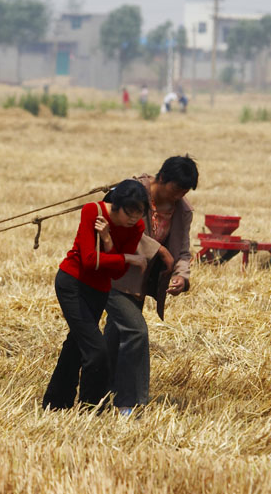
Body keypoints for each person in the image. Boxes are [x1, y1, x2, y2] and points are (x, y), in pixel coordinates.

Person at [104, 156, 198, 416]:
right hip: (112, 276)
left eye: (185, 191)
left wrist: (182, 276)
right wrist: (159, 250)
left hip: (139, 282)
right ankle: (130, 404)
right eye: (177, 189)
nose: (180, 195)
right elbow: (118, 229)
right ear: (162, 179)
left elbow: (182, 251)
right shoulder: (132, 192)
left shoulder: (182, 210)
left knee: (115, 336)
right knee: (136, 332)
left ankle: (99, 393)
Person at [43, 180, 149, 411]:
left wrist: (109, 242)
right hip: (72, 284)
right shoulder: (94, 211)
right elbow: (89, 260)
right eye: (129, 213)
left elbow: (118, 272)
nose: (133, 219)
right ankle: (91, 408)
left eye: (139, 213)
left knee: (76, 345)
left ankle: (55, 404)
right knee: (96, 351)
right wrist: (128, 258)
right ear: (117, 205)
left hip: (99, 290)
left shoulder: (137, 227)